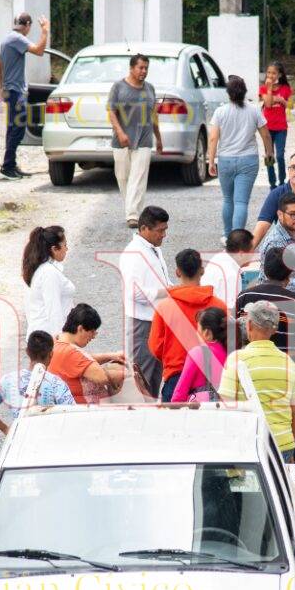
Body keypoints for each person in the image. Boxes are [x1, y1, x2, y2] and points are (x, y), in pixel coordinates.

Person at [219, 301, 295, 462]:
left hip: (248, 442)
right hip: (282, 444)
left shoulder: (237, 359)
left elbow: (226, 405)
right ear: (275, 329)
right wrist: (289, 443)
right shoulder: (289, 363)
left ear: (249, 325)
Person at [149, 249, 227, 402]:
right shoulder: (218, 306)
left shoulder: (165, 307)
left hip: (176, 378)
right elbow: (228, 342)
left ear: (178, 272)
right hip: (213, 379)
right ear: (202, 271)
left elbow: (155, 346)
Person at [235, 246, 295, 380]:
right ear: (289, 273)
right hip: (283, 373)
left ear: (265, 269)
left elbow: (235, 334)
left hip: (249, 370)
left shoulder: (244, 296)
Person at [207, 75, 274, 236]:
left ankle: (227, 235)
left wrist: (211, 161)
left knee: (228, 199)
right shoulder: (254, 109)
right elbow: (265, 135)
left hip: (225, 160)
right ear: (244, 91)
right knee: (241, 202)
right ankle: (237, 239)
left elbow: (213, 138)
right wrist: (269, 153)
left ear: (228, 93)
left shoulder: (220, 112)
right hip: (248, 160)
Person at [0, 330, 76, 433]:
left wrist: (5, 428)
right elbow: (74, 416)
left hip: (20, 442)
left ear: (27, 351)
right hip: (49, 442)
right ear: (51, 354)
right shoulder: (57, 384)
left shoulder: (9, 380)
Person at [120, 205, 171, 398]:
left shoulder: (153, 249)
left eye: (165, 230)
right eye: (160, 231)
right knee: (142, 379)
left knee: (155, 377)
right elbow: (135, 293)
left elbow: (162, 279)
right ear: (144, 229)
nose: (164, 235)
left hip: (156, 321)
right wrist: (166, 292)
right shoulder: (134, 254)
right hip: (142, 325)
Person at [107, 53, 164, 227]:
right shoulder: (118, 87)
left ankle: (133, 215)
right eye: (140, 67)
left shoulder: (150, 89)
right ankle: (132, 210)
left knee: (138, 178)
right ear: (131, 68)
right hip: (121, 141)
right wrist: (121, 133)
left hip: (144, 139)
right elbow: (111, 112)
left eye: (146, 68)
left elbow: (153, 115)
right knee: (123, 178)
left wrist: (159, 138)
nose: (144, 71)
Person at [0, 12, 50, 181]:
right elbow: (39, 51)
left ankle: (10, 164)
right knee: (17, 128)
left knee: (13, 127)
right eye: (30, 27)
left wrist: (2, 87)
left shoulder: (7, 39)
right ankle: (7, 166)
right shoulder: (18, 39)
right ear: (27, 25)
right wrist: (45, 31)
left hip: (11, 90)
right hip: (16, 91)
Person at [51, 303, 128, 404]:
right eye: (92, 331)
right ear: (80, 329)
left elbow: (82, 361)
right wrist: (128, 374)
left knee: (114, 366)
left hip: (71, 397)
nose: (93, 336)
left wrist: (111, 356)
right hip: (86, 408)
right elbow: (102, 377)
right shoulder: (70, 353)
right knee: (119, 371)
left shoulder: (57, 340)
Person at [169, 307, 229, 403]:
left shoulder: (198, 353)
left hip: (202, 412)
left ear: (207, 333)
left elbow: (180, 392)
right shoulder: (232, 353)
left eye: (198, 329)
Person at [22, 225, 73, 337]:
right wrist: (61, 340)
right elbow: (53, 309)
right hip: (49, 338)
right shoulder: (48, 273)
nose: (66, 249)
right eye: (65, 245)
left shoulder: (41, 269)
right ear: (54, 249)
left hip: (42, 336)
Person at [259, 62, 292, 188]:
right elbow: (267, 104)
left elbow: (291, 105)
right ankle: (272, 184)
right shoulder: (263, 88)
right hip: (267, 128)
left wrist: (282, 100)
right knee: (269, 155)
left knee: (279, 155)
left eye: (273, 73)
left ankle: (282, 182)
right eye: (268, 72)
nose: (271, 75)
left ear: (279, 74)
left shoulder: (285, 88)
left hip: (281, 128)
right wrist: (269, 88)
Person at [207, 228, 255, 310]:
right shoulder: (232, 275)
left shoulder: (218, 257)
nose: (253, 254)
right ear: (241, 254)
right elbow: (230, 311)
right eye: (251, 251)